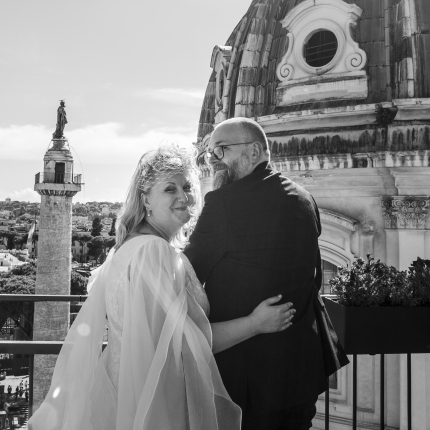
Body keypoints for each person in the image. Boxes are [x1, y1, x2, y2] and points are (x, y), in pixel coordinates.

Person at [28, 146, 296, 430]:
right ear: (146, 199)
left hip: (124, 394)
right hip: (155, 404)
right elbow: (184, 344)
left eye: (187, 186)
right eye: (170, 189)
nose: (183, 196)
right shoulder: (154, 253)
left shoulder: (128, 248)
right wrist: (255, 323)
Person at [184, 118, 349, 430]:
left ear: (255, 151)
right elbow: (313, 278)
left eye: (221, 150)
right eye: (210, 153)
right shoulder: (304, 198)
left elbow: (186, 275)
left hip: (247, 379)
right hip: (300, 370)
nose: (213, 161)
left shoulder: (223, 204)